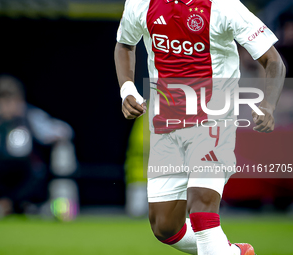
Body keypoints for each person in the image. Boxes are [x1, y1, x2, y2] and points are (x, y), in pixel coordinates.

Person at [114, 0, 285, 255]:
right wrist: (127, 88)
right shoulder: (141, 3)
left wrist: (268, 106)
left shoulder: (224, 6)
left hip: (213, 122)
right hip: (166, 125)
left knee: (202, 211)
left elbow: (273, 61)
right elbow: (125, 44)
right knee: (165, 227)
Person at [0, 74, 78, 219]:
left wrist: (54, 135)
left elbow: (63, 130)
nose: (11, 105)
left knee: (37, 172)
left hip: (22, 171)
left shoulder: (28, 114)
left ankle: (10, 205)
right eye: (6, 101)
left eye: (15, 100)